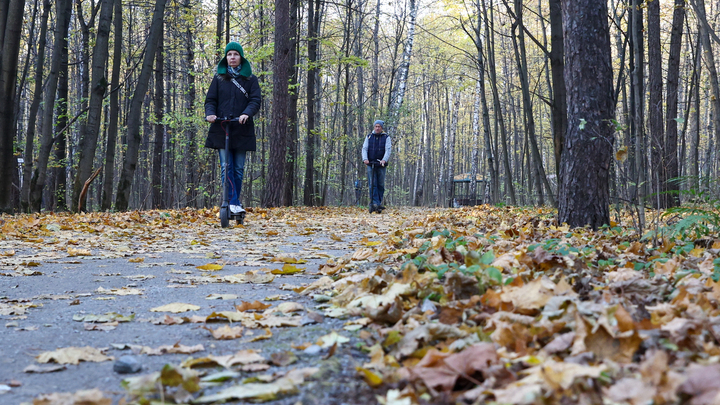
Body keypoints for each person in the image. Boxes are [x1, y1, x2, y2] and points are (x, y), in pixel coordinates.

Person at [204, 42, 261, 214]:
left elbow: (255, 100)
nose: (232, 57)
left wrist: (246, 114)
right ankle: (231, 202)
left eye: (236, 54)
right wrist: (210, 114)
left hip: (242, 129)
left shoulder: (250, 79)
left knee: (238, 168)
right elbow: (210, 100)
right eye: (229, 55)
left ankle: (234, 202)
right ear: (225, 58)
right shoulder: (219, 78)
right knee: (225, 167)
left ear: (241, 57)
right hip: (222, 128)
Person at [362, 120, 391, 213]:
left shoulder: (386, 137)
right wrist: (365, 159)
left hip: (381, 164)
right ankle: (375, 203)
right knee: (372, 184)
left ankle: (378, 202)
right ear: (374, 127)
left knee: (380, 184)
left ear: (381, 128)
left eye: (379, 126)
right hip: (371, 163)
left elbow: (388, 150)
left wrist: (384, 160)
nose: (377, 128)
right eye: (376, 126)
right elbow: (364, 148)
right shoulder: (369, 136)